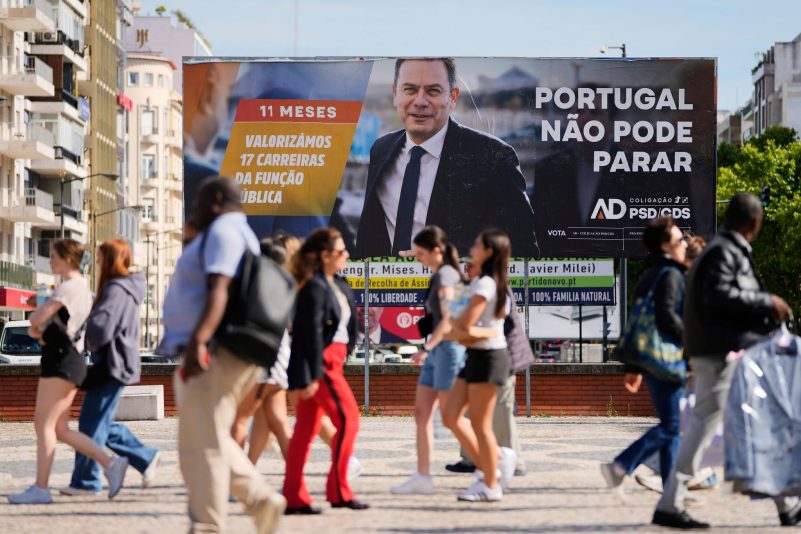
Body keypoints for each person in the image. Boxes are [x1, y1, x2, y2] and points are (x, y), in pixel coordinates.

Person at [652, 193, 801, 529]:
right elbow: (719, 295)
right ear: (755, 222)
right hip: (720, 355)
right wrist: (768, 301)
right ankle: (670, 502)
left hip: (726, 352)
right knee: (707, 424)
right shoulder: (724, 251)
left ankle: (786, 503)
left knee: (760, 421)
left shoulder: (724, 249)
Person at [159, 176, 285, 533]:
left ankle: (209, 525)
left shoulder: (224, 232)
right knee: (204, 438)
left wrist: (199, 341)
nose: (194, 207)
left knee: (204, 447)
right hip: (216, 351)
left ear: (216, 199)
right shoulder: (231, 231)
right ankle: (261, 500)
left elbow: (219, 289)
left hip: (213, 351)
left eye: (198, 199)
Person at [352, 58, 536, 257]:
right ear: (395, 94)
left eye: (433, 91)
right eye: (410, 89)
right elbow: (371, 236)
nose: (420, 102)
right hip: (388, 286)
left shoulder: (495, 156)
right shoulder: (381, 149)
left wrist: (449, 263)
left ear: (453, 97)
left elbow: (523, 249)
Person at [8, 239, 128, 504]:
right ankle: (110, 464)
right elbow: (40, 325)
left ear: (67, 259)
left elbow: (35, 319)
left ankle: (41, 488)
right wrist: (39, 328)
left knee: (44, 424)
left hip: (61, 362)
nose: (50, 260)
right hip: (68, 360)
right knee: (60, 429)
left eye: (54, 256)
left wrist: (38, 326)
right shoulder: (80, 287)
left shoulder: (70, 286)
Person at [62, 240, 160, 496]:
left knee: (92, 423)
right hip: (115, 361)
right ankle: (146, 457)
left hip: (112, 362)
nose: (96, 261)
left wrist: (85, 336)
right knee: (100, 422)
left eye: (99, 257)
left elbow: (103, 326)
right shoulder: (123, 287)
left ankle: (87, 481)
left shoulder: (116, 288)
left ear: (110, 259)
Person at [283, 228, 367, 514]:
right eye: (341, 251)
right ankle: (339, 490)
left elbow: (349, 327)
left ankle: (294, 496)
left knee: (305, 431)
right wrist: (310, 375)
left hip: (335, 360)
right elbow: (309, 334)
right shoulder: (314, 286)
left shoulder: (338, 283)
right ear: (324, 255)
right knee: (349, 421)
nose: (346, 255)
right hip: (323, 364)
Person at [600, 217, 688, 491]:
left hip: (649, 360)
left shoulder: (650, 274)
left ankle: (670, 484)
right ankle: (622, 464)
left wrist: (634, 367)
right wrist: (694, 341)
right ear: (665, 245)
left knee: (671, 424)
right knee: (673, 426)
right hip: (667, 360)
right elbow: (665, 317)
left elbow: (638, 323)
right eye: (679, 240)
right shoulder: (671, 274)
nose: (684, 244)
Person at [441, 229, 517, 502]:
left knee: (481, 425)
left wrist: (453, 321)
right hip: (475, 355)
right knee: (450, 415)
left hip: (489, 358)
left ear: (488, 251)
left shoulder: (486, 283)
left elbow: (464, 322)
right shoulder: (480, 282)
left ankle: (490, 483)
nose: (472, 248)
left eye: (476, 245)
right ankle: (497, 457)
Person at [390, 226, 467, 495]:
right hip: (438, 352)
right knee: (422, 413)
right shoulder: (441, 269)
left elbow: (448, 318)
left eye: (421, 254)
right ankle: (423, 476)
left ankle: (491, 464)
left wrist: (426, 347)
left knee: (451, 418)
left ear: (436, 251)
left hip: (447, 350)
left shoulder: (446, 275)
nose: (417, 260)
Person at [231, 235, 299, 464]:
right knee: (277, 422)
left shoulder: (258, 286)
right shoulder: (288, 285)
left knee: (239, 420)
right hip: (279, 362)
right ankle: (293, 479)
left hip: (262, 364)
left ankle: (236, 479)